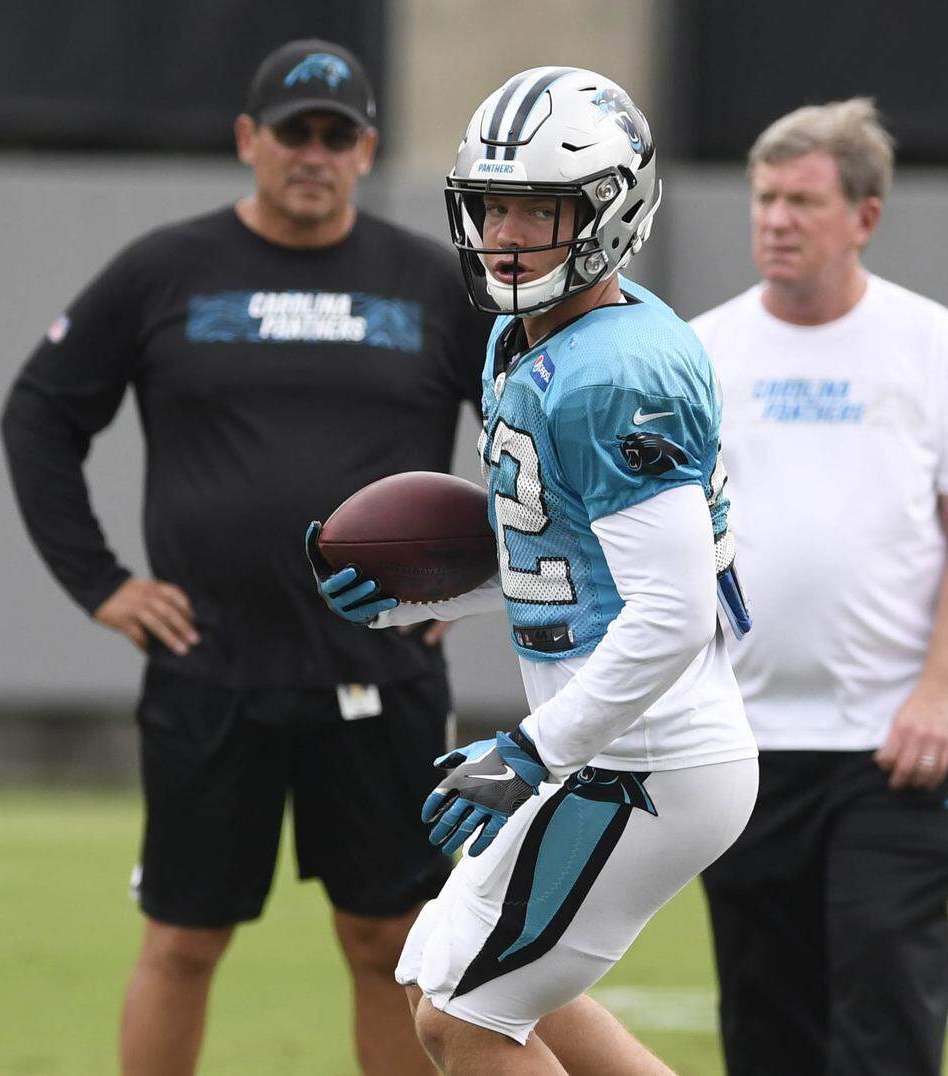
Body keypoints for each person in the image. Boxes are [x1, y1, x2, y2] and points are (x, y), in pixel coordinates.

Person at [0, 38, 490, 1076]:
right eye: (292, 132)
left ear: (367, 148)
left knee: (392, 943)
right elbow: (38, 413)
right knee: (182, 940)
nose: (313, 153)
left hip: (380, 673)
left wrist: (485, 581)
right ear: (246, 141)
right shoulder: (165, 270)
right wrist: (99, 582)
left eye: (336, 134)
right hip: (210, 669)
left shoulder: (432, 284)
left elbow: (540, 433)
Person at [308, 66, 759, 1075]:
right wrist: (422, 594)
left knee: (464, 1016)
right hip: (610, 745)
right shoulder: (525, 335)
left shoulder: (614, 368)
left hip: (653, 757)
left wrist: (530, 745)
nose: (508, 233)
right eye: (493, 205)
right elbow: (567, 562)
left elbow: (675, 611)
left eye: (543, 209)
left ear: (613, 209)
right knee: (444, 981)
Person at [690, 98, 948, 1076]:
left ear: (865, 217)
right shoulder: (701, 352)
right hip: (745, 747)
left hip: (900, 744)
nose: (776, 219)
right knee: (766, 1025)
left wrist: (936, 688)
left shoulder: (931, 343)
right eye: (764, 198)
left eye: (801, 199)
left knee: (882, 993)